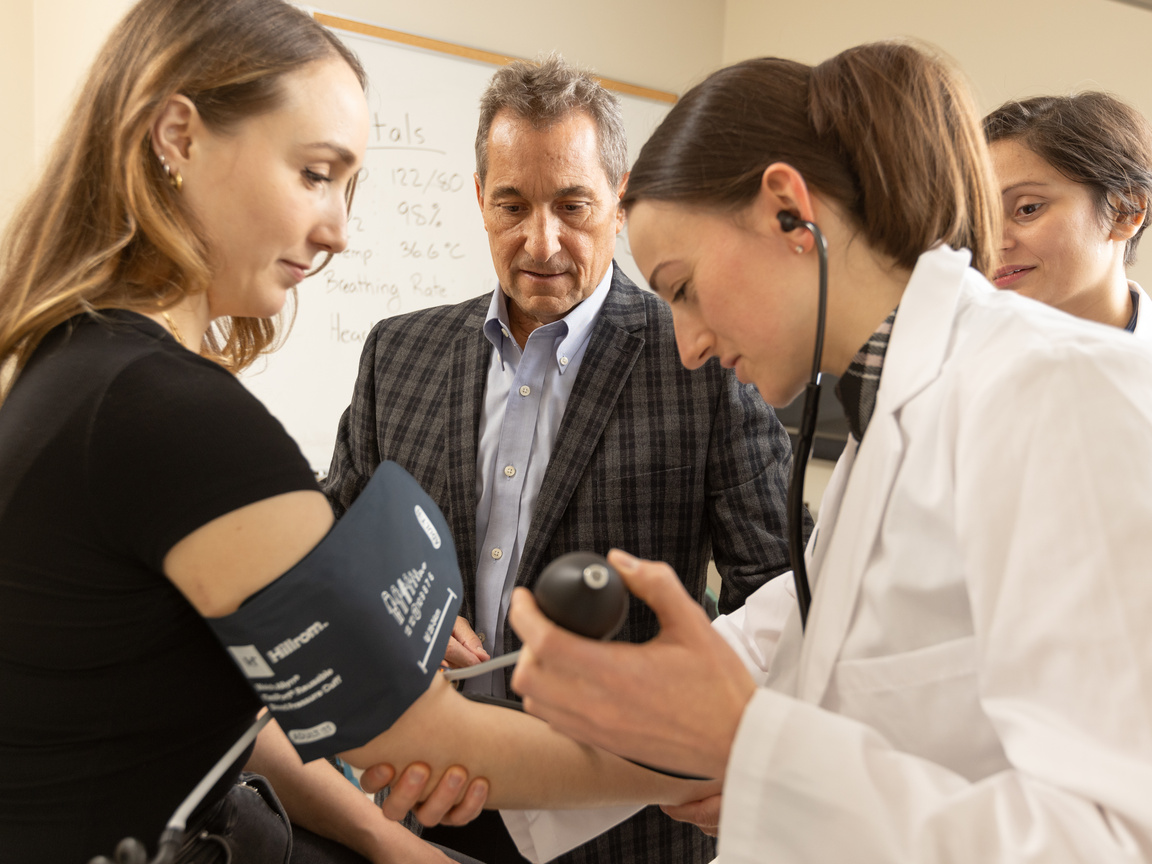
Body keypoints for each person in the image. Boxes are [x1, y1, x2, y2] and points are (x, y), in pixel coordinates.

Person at [0, 2, 719, 862]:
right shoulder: (170, 415)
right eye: (313, 172)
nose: (339, 230)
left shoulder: (71, 362)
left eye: (350, 186)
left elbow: (247, 701)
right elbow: (415, 735)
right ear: (179, 139)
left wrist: (382, 838)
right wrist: (703, 766)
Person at [498, 41, 1152, 861]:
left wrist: (750, 746)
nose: (688, 345)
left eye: (683, 288)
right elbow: (789, 666)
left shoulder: (1062, 393)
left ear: (788, 212)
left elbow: (1114, 839)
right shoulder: (882, 428)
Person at [324, 53, 801, 864]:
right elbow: (337, 544)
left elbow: (782, 595)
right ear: (479, 199)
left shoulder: (705, 358)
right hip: (425, 800)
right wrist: (393, 620)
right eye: (512, 204)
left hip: (622, 822)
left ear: (618, 202)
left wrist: (753, 763)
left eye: (573, 205)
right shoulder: (396, 353)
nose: (541, 241)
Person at [984, 92, 1152, 336]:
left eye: (1027, 209)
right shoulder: (939, 364)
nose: (992, 244)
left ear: (1125, 211)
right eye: (978, 219)